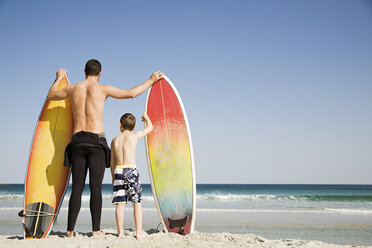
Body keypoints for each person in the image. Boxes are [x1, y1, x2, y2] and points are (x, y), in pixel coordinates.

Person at [47, 59, 164, 237]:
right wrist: (151, 80)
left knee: (76, 188)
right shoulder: (103, 89)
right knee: (96, 188)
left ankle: (70, 231)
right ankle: (96, 231)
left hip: (77, 141)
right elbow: (132, 94)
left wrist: (59, 77)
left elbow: (51, 95)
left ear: (84, 71)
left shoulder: (73, 88)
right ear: (100, 74)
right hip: (96, 142)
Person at [110, 112, 153, 239]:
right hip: (131, 170)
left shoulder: (114, 141)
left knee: (120, 204)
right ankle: (139, 232)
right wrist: (146, 118)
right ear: (134, 127)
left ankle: (120, 232)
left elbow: (112, 162)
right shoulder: (134, 136)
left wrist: (113, 176)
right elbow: (150, 128)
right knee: (136, 203)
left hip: (118, 171)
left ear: (120, 125)